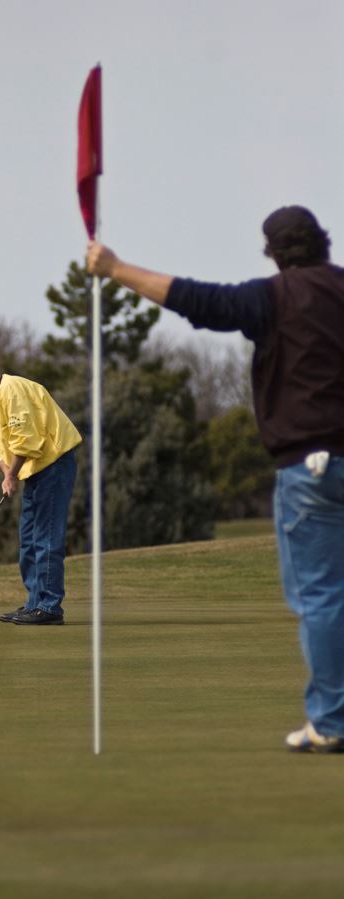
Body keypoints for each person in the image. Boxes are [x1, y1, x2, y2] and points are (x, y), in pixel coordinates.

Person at [87, 205, 344, 753]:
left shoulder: (272, 298)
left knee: (322, 598)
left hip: (311, 470)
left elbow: (197, 300)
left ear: (274, 254)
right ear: (322, 243)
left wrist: (115, 269)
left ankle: (333, 722)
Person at [0, 360, 82, 625]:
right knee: (28, 538)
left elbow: (26, 441)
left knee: (46, 536)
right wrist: (7, 473)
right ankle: (35, 603)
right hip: (35, 471)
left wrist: (12, 475)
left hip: (54, 465)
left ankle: (49, 607)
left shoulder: (12, 390)